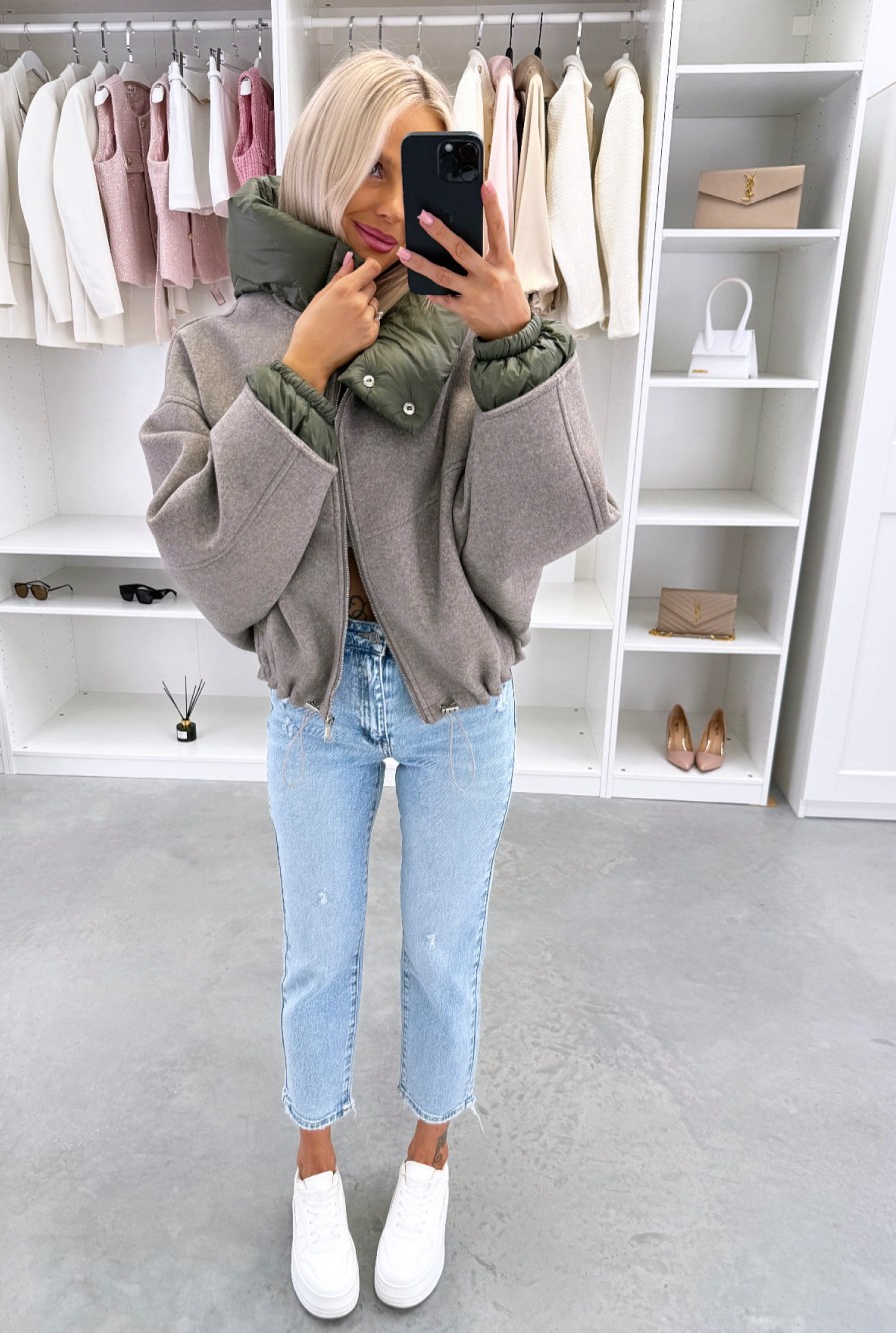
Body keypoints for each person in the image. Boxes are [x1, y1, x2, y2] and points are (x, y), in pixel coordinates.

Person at [139, 48, 619, 1322]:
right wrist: (298, 370)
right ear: (312, 160)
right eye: (364, 164)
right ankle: (313, 1167)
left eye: (415, 166)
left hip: (456, 698)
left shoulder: (470, 321)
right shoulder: (219, 346)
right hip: (315, 700)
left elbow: (539, 527)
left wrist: (512, 342)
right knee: (318, 955)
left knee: (444, 954)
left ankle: (427, 1159)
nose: (388, 201)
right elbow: (212, 559)